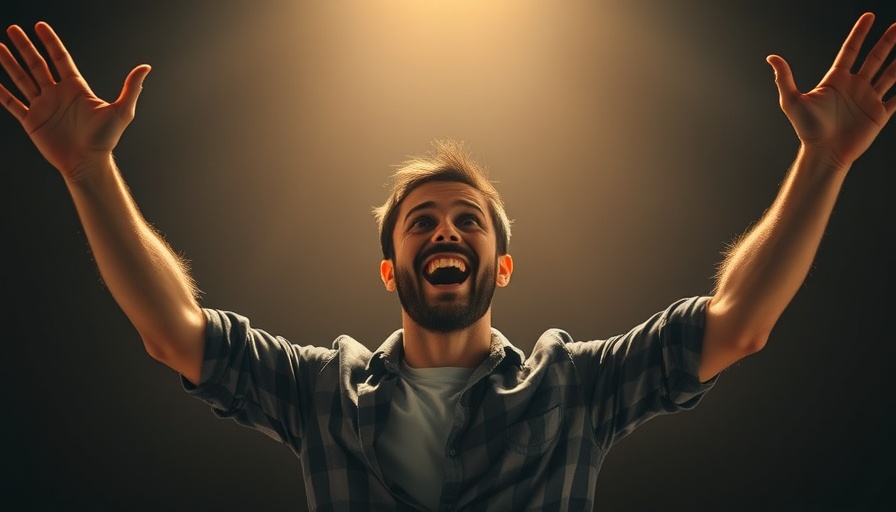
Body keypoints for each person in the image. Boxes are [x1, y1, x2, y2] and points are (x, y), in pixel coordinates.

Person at [1, 11, 894, 511]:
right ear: (390, 269)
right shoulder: (322, 391)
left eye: (468, 222)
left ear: (501, 266)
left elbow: (741, 323)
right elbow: (173, 333)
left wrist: (823, 163)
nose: (445, 232)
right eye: (421, 223)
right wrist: (90, 171)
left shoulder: (574, 388)